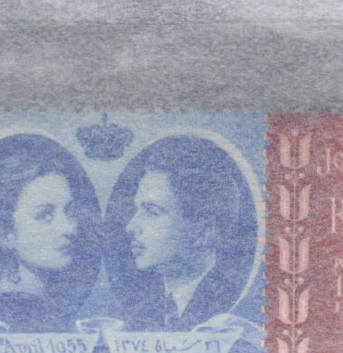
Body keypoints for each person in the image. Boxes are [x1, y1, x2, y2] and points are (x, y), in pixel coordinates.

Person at [0, 133, 100, 328]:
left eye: (70, 212)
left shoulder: (46, 305)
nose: (69, 228)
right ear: (4, 234)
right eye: (44, 216)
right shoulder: (6, 313)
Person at [107, 136, 257, 330]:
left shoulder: (228, 304)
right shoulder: (143, 306)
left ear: (203, 229)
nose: (131, 226)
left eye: (152, 212)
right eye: (137, 211)